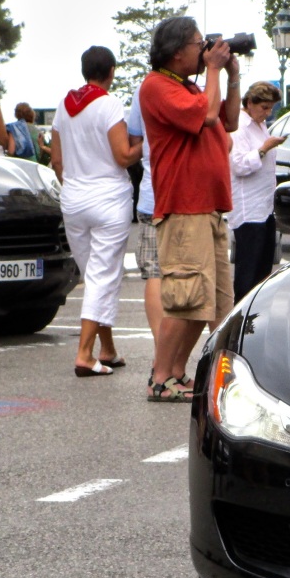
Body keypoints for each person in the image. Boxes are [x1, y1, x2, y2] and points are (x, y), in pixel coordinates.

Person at [138, 15, 240, 402]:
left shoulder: (191, 87)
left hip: (208, 208)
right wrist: (214, 69)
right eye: (200, 43)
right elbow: (208, 116)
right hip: (184, 208)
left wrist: (230, 75)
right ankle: (160, 377)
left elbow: (228, 120)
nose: (206, 49)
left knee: (205, 301)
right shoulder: (156, 87)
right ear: (177, 50)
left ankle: (177, 374)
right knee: (184, 299)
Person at [49, 46, 142, 378]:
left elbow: (57, 161)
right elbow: (122, 155)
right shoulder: (109, 103)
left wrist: (74, 181)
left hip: (73, 197)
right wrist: (144, 144)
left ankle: (108, 348)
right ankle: (85, 354)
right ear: (112, 71)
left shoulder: (64, 105)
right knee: (103, 277)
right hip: (108, 197)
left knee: (94, 277)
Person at [229, 81, 288, 302]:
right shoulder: (239, 127)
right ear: (250, 102)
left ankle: (255, 311)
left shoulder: (259, 125)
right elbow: (240, 165)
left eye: (270, 108)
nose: (267, 113)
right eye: (264, 107)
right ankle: (241, 314)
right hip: (249, 210)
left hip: (264, 207)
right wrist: (264, 148)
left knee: (263, 270)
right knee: (248, 272)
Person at [125, 82, 164, 396]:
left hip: (152, 195)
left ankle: (160, 353)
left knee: (154, 273)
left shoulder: (144, 90)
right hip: (186, 196)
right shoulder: (197, 86)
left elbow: (134, 140)